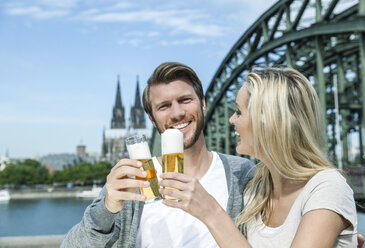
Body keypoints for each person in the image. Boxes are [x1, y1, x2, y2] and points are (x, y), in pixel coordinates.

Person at [61, 62, 255, 247]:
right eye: (164, 106)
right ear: (152, 120)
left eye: (185, 100)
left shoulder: (241, 173)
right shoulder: (134, 177)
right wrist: (106, 208)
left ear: (203, 104)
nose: (177, 113)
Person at [160, 67, 359, 247]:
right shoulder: (254, 190)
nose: (231, 120)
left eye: (238, 112)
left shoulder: (327, 188)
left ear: (267, 120)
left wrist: (212, 213)